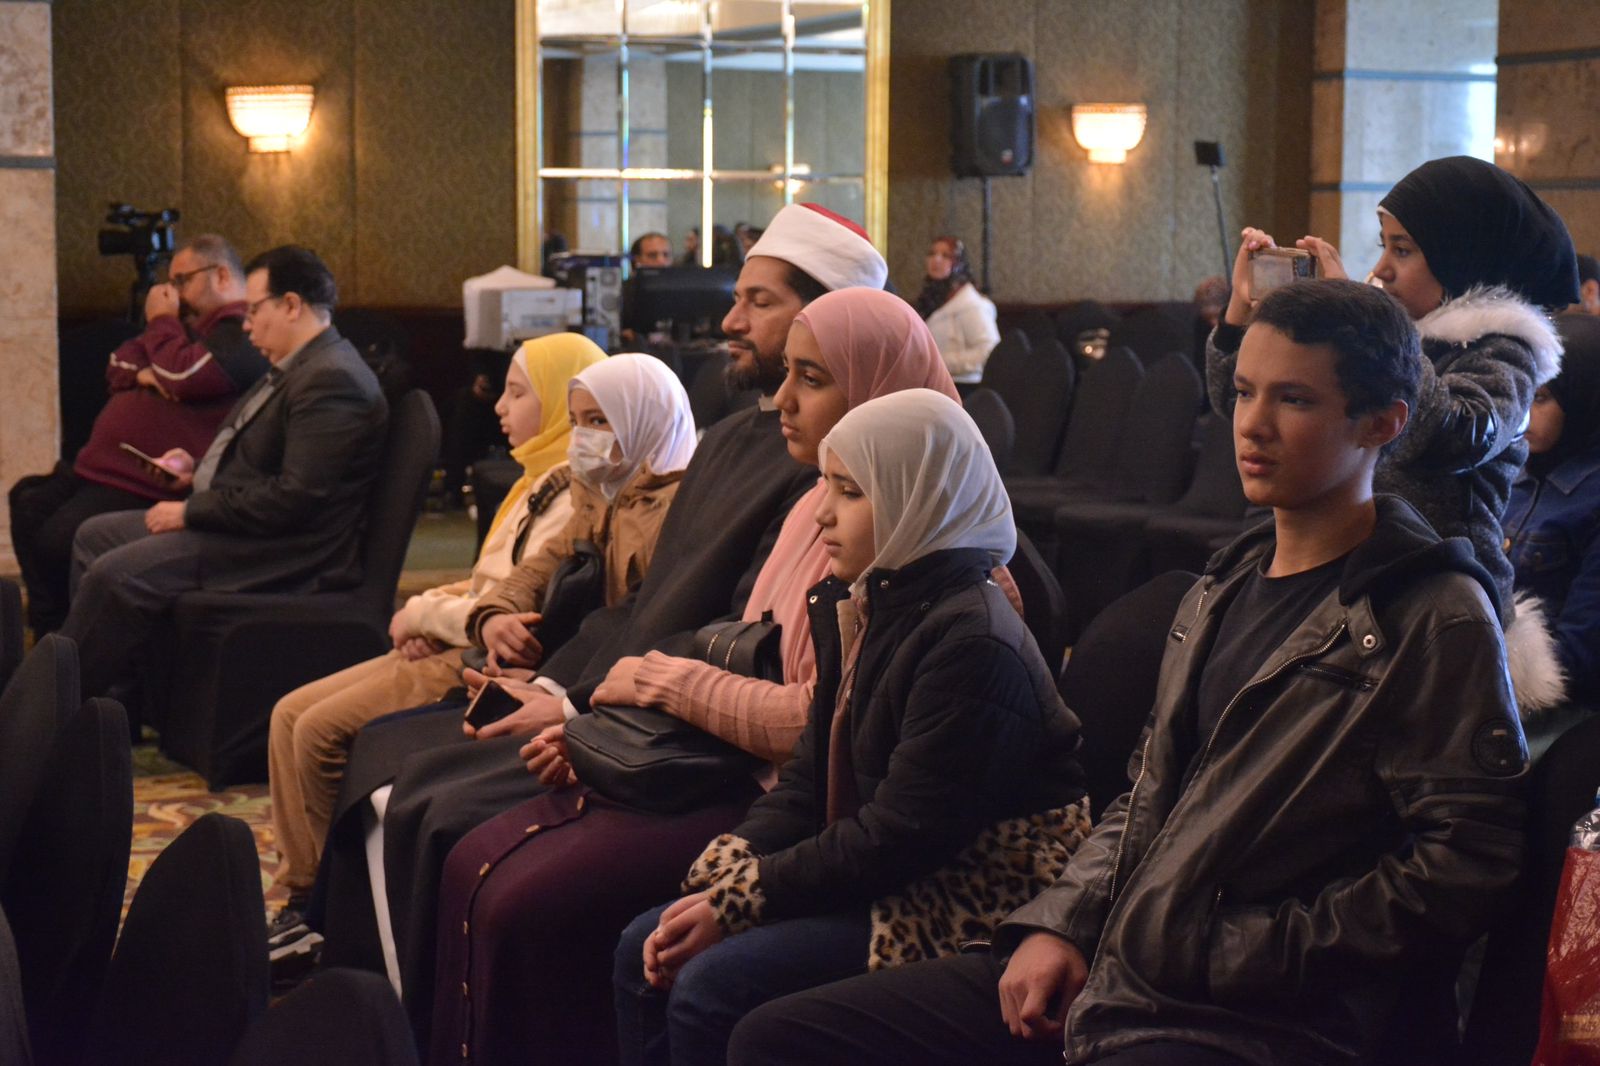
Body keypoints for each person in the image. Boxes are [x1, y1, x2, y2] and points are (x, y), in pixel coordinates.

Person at [731, 280, 1529, 1066]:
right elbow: (1149, 790)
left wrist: (1235, 952)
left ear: (1384, 422)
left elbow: (1463, 863)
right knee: (776, 1037)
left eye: (1294, 400)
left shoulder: (1431, 612)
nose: (1251, 424)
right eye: (1244, 392)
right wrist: (1061, 922)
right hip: (1137, 960)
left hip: (1272, 1015)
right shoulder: (1224, 584)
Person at [303, 201, 887, 1026]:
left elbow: (740, 644)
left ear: (825, 320)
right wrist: (555, 685)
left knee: (438, 814)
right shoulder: (732, 439)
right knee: (408, 775)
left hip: (688, 738)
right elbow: (646, 603)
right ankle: (367, 1014)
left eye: (760, 302)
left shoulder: (828, 468)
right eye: (739, 299)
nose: (730, 321)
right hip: (629, 697)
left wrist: (577, 706)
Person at [423, 287, 963, 1065]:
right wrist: (604, 726)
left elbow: (821, 734)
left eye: (811, 378)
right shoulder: (819, 502)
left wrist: (652, 693)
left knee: (525, 898)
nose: (781, 399)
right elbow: (744, 658)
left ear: (882, 389)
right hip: (756, 784)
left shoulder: (920, 552)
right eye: (788, 374)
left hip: (808, 823)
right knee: (477, 855)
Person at [612, 387, 1088, 1066]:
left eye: (851, 491)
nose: (822, 514)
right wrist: (735, 862)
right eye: (825, 487)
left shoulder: (973, 640)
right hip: (893, 867)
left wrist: (745, 897)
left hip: (968, 897)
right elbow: (808, 778)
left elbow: (902, 836)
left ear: (917, 498)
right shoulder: (872, 602)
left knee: (713, 984)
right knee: (644, 943)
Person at [264, 332, 603, 945]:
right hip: (459, 637)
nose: (498, 406)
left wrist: (424, 615)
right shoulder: (536, 478)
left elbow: (512, 611)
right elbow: (485, 585)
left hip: (478, 658)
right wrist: (428, 615)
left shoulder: (573, 490)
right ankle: (305, 890)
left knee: (314, 729)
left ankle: (323, 911)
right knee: (289, 712)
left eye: (518, 393)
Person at [1205, 156, 1576, 710]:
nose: (1381, 269)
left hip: (1438, 604)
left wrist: (1375, 328)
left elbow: (1456, 434)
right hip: (1351, 577)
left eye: (1402, 250)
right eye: (1383, 246)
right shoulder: (1404, 337)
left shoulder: (1505, 348)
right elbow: (1235, 403)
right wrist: (1239, 320)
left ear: (1461, 253)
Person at [60, 245, 389, 700]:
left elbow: (294, 499)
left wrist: (191, 511)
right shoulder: (300, 365)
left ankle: (58, 709)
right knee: (93, 536)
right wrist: (195, 472)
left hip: (283, 551)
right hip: (248, 527)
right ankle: (118, 704)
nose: (246, 325)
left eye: (254, 310)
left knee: (114, 574)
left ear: (291, 305)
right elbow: (266, 461)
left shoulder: (333, 379)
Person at [9, 234, 268, 635]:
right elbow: (119, 363)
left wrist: (161, 325)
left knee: (58, 540)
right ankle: (51, 635)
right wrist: (150, 372)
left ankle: (70, 642)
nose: (172, 294)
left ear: (221, 275)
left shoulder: (238, 332)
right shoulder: (184, 328)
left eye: (182, 281)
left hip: (146, 481)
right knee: (27, 501)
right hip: (101, 468)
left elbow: (184, 376)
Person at [1505, 312, 1600, 756]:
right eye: (1521, 392)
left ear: (1582, 398)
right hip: (1488, 687)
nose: (1523, 412)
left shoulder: (1592, 498)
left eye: (1540, 397)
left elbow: (1581, 650)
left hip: (1562, 718)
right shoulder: (1509, 472)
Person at [914, 235, 999, 384]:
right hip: (933, 381)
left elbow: (988, 351)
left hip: (963, 384)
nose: (936, 259)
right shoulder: (929, 299)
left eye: (945, 256)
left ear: (958, 263)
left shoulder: (971, 305)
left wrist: (942, 362)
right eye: (932, 254)